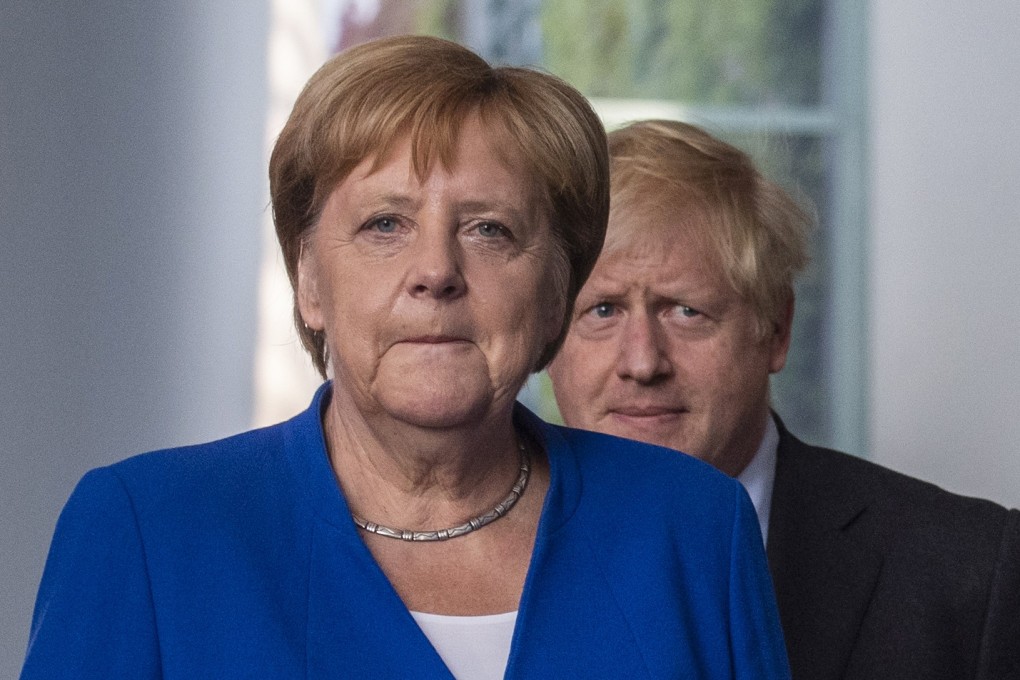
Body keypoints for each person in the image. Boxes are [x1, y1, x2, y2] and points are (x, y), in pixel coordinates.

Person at [21, 40, 790, 679]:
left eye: (489, 229)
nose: (436, 270)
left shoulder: (692, 528)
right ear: (310, 281)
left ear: (558, 289)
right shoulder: (148, 532)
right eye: (385, 224)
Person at [547, 119, 1020, 680]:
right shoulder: (462, 565)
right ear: (548, 335)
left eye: (686, 311)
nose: (643, 363)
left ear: (776, 328)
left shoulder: (972, 571)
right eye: (602, 311)